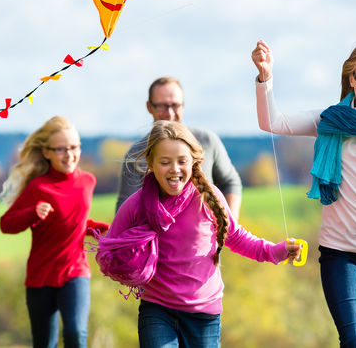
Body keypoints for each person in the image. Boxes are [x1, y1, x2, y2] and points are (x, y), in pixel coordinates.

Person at [251, 39, 356, 347]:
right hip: (340, 254)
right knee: (355, 343)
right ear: (352, 78)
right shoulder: (330, 121)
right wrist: (265, 77)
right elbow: (271, 122)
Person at [97, 120, 302, 347]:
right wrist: (130, 260)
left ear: (193, 162)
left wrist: (277, 250)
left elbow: (237, 237)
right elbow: (109, 249)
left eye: (181, 161)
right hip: (157, 309)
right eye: (165, 162)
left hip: (204, 314)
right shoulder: (137, 205)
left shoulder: (208, 198)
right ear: (151, 164)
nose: (174, 169)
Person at [0, 116, 109, 348]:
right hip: (42, 276)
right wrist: (32, 213)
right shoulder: (38, 187)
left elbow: (75, 220)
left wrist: (98, 229)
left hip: (75, 271)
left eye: (74, 147)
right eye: (61, 149)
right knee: (44, 343)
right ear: (46, 152)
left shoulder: (88, 182)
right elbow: (6, 224)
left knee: (75, 333)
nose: (69, 155)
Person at [116, 76, 242, 220]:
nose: (170, 113)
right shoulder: (136, 154)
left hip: (206, 240)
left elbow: (230, 181)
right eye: (162, 106)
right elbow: (124, 211)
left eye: (175, 105)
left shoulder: (207, 141)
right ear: (149, 107)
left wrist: (228, 227)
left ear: (183, 105)